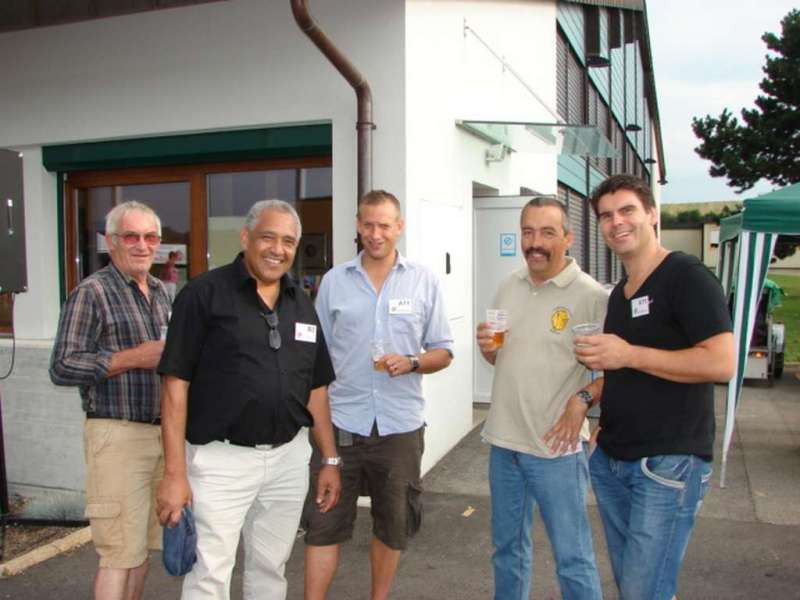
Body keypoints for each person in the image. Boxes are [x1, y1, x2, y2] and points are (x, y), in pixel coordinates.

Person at [156, 199, 341, 600]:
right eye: (268, 237)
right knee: (210, 574)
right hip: (221, 462)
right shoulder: (202, 295)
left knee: (271, 568)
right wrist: (174, 473)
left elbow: (316, 388)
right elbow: (174, 388)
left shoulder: (302, 302)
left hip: (287, 460)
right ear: (245, 238)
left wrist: (329, 458)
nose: (279, 249)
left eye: (289, 241)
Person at [579, 175, 735, 600]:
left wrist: (627, 354)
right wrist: (595, 405)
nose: (617, 222)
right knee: (638, 586)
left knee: (642, 590)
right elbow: (621, 368)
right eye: (606, 216)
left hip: (667, 464)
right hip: (614, 459)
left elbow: (721, 362)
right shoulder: (621, 295)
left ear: (652, 214)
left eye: (627, 210)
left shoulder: (686, 275)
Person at [304, 189, 454, 600]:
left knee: (393, 526)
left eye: (384, 225)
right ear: (357, 225)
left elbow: (444, 350)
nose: (376, 233)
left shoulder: (423, 280)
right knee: (323, 525)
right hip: (342, 424)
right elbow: (317, 358)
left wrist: (412, 361)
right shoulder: (334, 281)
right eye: (368, 224)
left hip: (400, 426)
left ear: (399, 227)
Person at [476, 196, 606, 600]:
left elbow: (615, 373)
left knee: (573, 556)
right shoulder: (508, 285)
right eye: (528, 232)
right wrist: (487, 347)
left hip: (557, 450)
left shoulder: (591, 296)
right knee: (507, 552)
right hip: (504, 444)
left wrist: (582, 399)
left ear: (568, 238)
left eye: (547, 232)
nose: (536, 242)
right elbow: (498, 357)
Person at [50, 201, 170, 600]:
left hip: (159, 437)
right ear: (110, 241)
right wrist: (134, 358)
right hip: (116, 436)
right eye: (130, 236)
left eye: (150, 237)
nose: (141, 245)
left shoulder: (159, 292)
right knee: (119, 552)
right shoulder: (92, 291)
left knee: (141, 550)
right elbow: (63, 366)